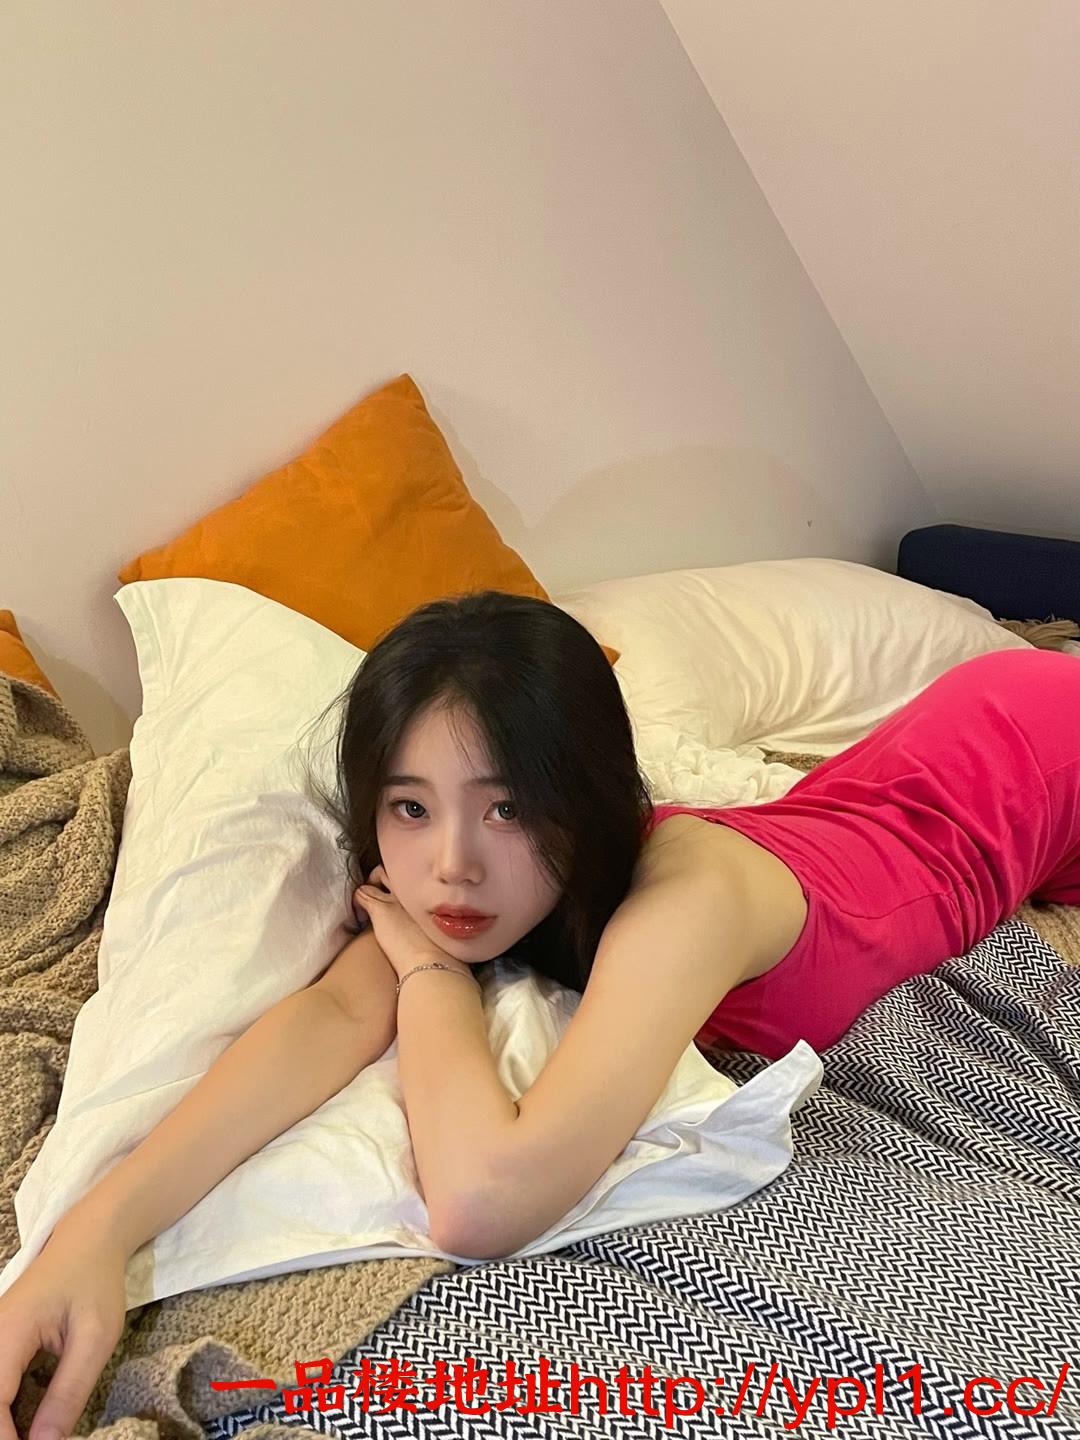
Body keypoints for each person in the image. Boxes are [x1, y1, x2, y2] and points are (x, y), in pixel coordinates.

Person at [2, 590, 1078, 1435]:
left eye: (508, 807)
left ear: (584, 797)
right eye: (411, 807)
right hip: (909, 785)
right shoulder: (476, 891)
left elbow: (483, 1202)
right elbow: (329, 1018)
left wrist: (431, 979)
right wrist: (90, 1238)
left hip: (1043, 745)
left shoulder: (685, 904)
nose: (452, 866)